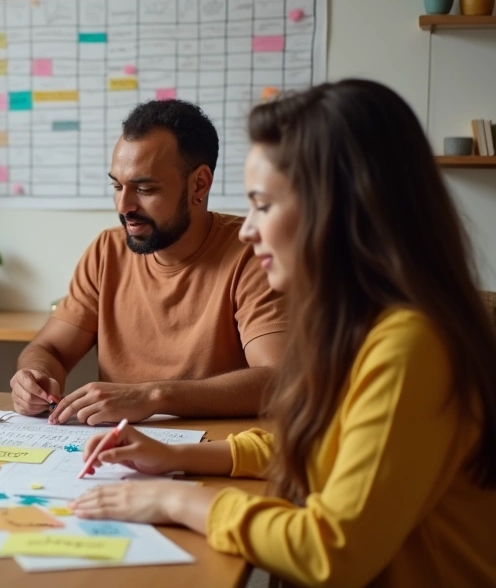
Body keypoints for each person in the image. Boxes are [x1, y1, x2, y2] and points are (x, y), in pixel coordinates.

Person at [70, 80, 496, 587]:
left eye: (263, 205)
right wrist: (181, 455)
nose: (248, 230)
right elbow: (328, 446)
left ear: (338, 209)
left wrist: (175, 496)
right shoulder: (363, 326)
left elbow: (331, 550)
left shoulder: (411, 346)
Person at [11, 99, 286, 425]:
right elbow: (50, 349)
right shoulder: (106, 251)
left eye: (144, 188)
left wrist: (153, 396)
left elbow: (278, 380)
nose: (124, 205)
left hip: (217, 455)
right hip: (114, 454)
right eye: (117, 185)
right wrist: (35, 375)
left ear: (199, 184)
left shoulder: (253, 253)